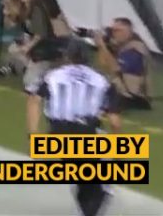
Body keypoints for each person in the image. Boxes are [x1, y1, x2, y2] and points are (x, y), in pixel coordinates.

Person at [26, 39, 121, 216]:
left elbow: (34, 100)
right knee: (98, 183)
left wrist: (33, 136)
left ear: (66, 56)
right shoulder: (101, 80)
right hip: (88, 135)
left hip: (58, 135)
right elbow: (115, 122)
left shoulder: (52, 76)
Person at [94, 18, 153, 111]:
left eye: (118, 30)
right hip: (122, 88)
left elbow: (117, 68)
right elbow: (103, 64)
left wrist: (103, 46)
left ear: (129, 31)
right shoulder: (122, 45)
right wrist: (102, 46)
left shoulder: (136, 48)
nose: (114, 34)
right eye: (113, 30)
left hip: (132, 94)